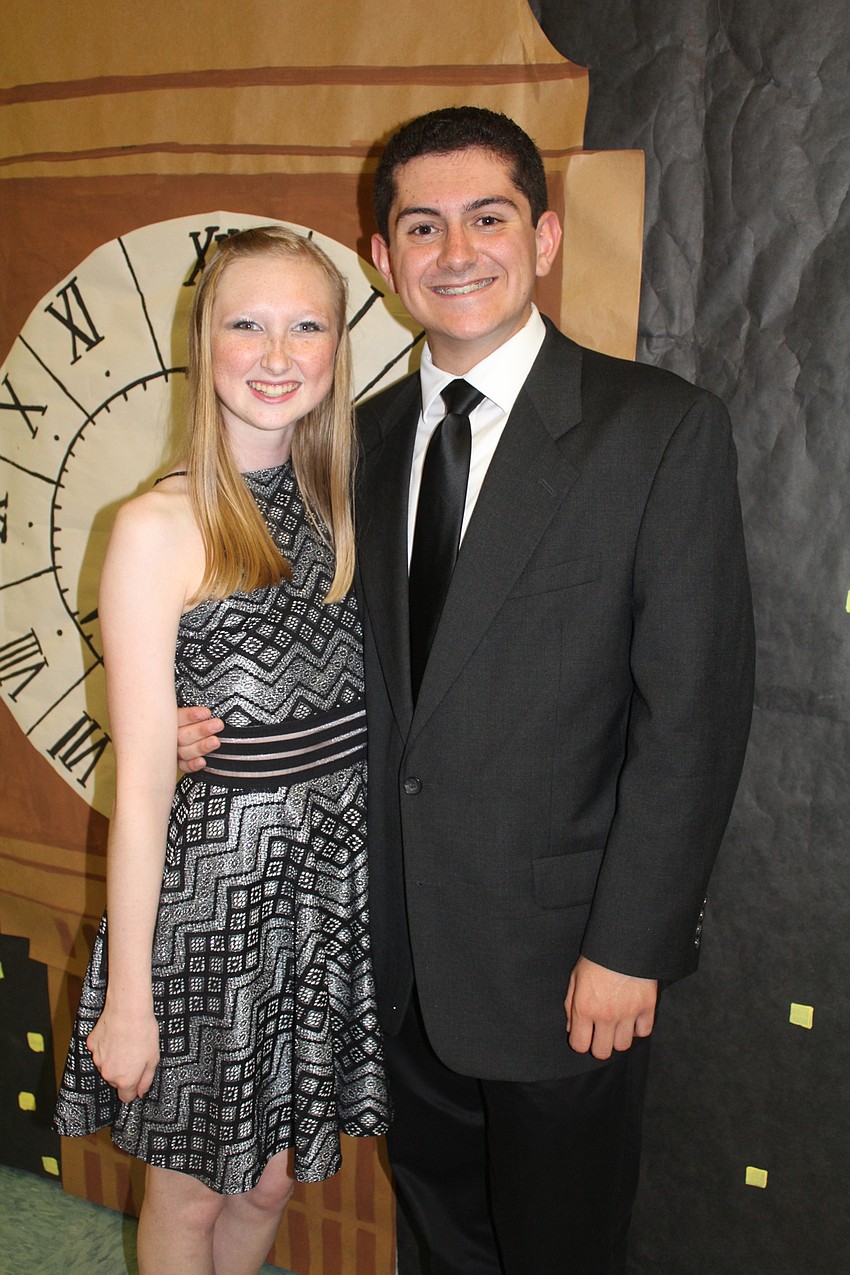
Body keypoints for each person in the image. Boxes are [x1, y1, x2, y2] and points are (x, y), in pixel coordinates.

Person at [178, 108, 755, 1274]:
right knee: (438, 1236)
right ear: (383, 260)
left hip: (565, 962)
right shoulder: (350, 441)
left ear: (541, 236)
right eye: (422, 226)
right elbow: (294, 644)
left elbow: (693, 715)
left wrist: (630, 944)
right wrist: (189, 729)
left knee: (560, 1246)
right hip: (391, 953)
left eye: (486, 218)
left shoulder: (656, 429)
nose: (456, 251)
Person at [54, 226, 390, 1275]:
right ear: (205, 344)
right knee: (191, 1194)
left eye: (307, 325)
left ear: (338, 347)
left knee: (275, 1178)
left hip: (325, 900)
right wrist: (130, 999)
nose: (277, 353)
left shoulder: (350, 500)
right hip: (214, 907)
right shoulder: (157, 526)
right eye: (247, 324)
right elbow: (145, 785)